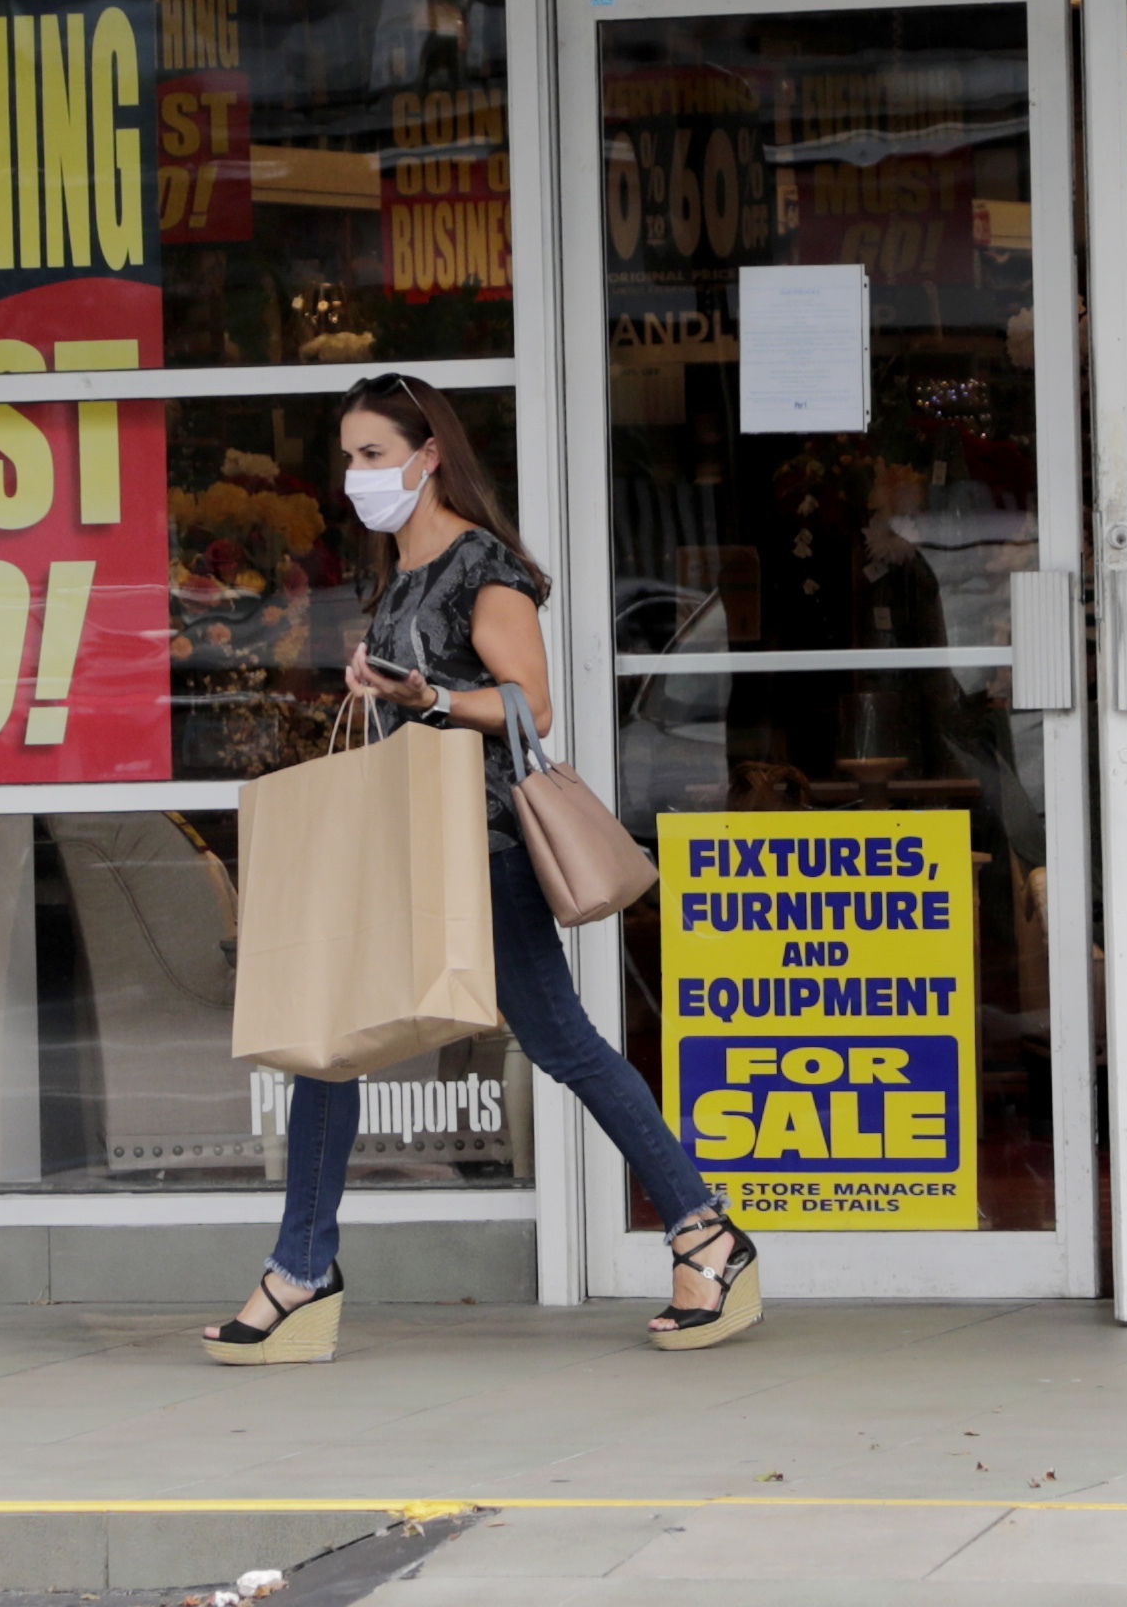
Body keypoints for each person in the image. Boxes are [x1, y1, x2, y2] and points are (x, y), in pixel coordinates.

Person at [200, 372, 757, 1365]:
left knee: (564, 1044)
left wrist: (435, 694)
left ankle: (704, 1231)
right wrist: (380, 684)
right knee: (331, 1039)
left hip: (480, 844)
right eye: (350, 454)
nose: (355, 473)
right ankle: (301, 1269)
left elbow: (531, 703)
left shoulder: (481, 565)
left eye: (373, 453)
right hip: (413, 844)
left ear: (429, 455)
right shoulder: (404, 575)